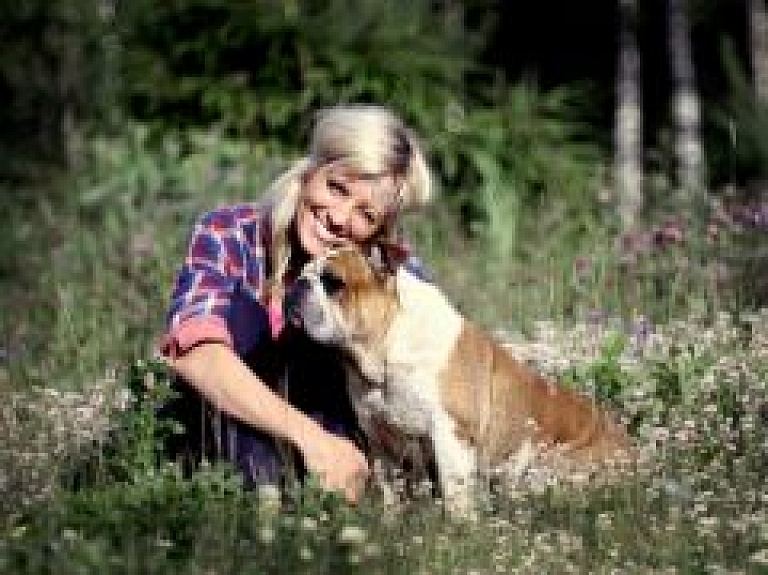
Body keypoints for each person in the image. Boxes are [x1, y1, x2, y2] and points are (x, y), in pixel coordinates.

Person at [159, 104, 434, 504]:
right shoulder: (230, 232)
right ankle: (257, 495)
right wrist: (312, 440)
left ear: (381, 230)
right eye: (337, 188)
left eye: (366, 214)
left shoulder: (389, 273)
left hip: (334, 452)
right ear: (311, 170)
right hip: (224, 439)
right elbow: (195, 354)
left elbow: (438, 365)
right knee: (238, 317)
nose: (339, 217)